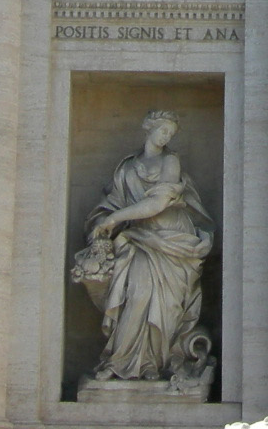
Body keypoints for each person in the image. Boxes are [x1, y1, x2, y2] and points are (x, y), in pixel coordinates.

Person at [73, 109, 215, 383]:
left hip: (172, 241)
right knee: (136, 296)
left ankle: (154, 364)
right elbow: (110, 204)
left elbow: (158, 203)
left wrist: (116, 218)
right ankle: (121, 362)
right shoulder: (127, 168)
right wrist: (103, 221)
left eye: (170, 134)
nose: (166, 137)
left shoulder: (171, 161)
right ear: (148, 128)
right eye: (163, 131)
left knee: (168, 306)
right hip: (138, 239)